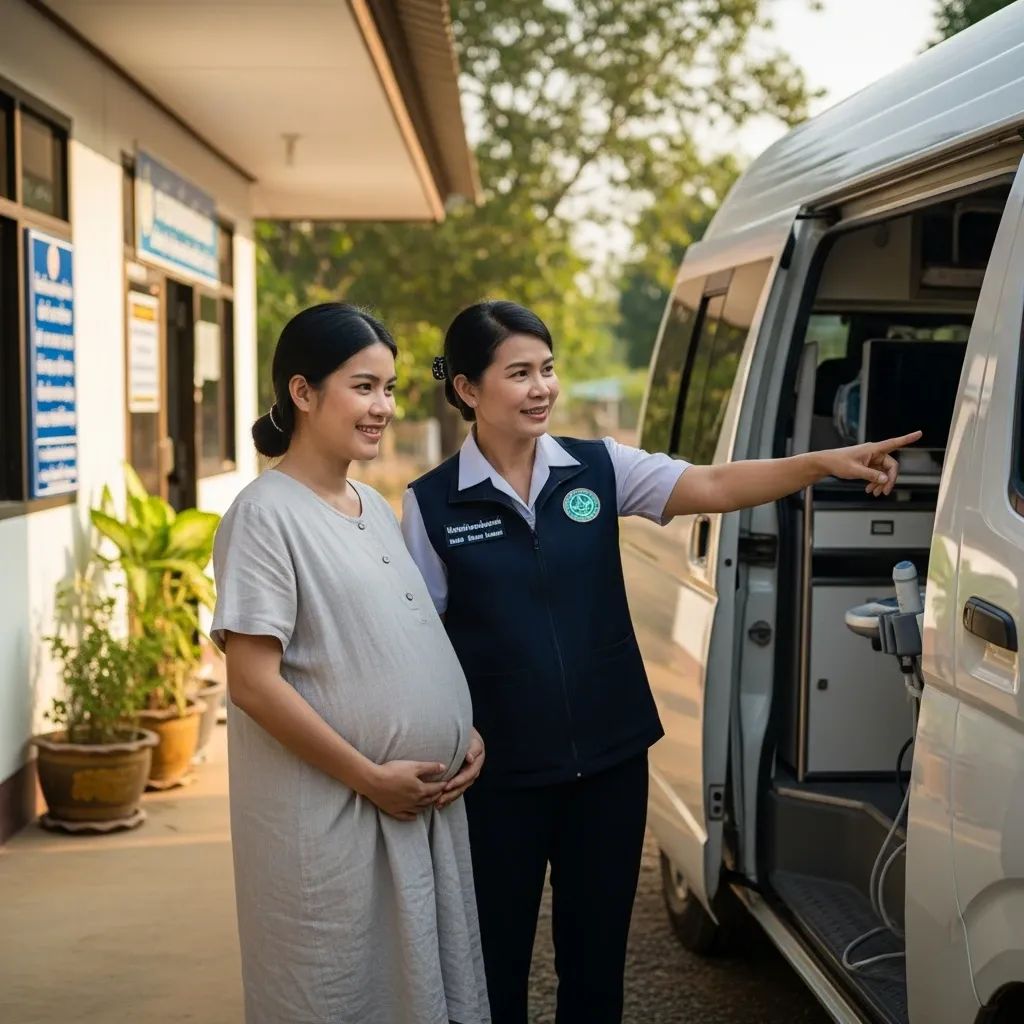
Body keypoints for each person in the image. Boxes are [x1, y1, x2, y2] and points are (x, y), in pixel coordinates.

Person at [401, 300, 920, 1024]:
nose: (541, 388)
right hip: (501, 779)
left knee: (595, 970)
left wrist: (820, 463)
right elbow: (418, 641)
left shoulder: (597, 467)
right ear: (466, 389)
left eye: (547, 369)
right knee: (495, 968)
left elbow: (711, 485)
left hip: (609, 767)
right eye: (518, 373)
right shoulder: (431, 506)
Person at [211, 303, 490, 1024]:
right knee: (341, 992)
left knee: (414, 990)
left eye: (390, 389)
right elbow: (251, 683)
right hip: (335, 818)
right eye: (364, 387)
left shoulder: (370, 501)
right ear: (302, 393)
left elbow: (402, 636)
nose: (383, 408)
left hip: (414, 811)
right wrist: (369, 776)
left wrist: (461, 732)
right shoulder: (264, 514)